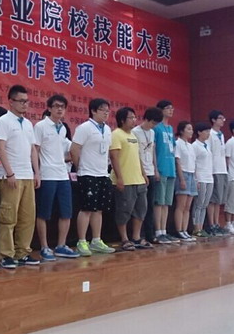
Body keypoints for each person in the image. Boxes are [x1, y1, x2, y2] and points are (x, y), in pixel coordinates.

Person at [0, 85, 41, 269]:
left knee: (27, 217)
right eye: (21, 101)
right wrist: (9, 172)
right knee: (8, 217)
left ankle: (23, 252)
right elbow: (0, 148)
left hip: (27, 176)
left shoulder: (28, 124)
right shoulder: (4, 121)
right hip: (11, 176)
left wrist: (36, 172)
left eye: (26, 101)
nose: (25, 104)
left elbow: (33, 150)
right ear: (11, 102)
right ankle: (6, 255)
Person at [33, 95, 80, 260]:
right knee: (44, 213)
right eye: (56, 106)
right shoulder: (40, 126)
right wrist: (37, 172)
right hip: (47, 175)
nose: (60, 109)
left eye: (63, 107)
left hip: (62, 175)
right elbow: (35, 151)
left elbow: (67, 151)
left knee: (66, 212)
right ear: (49, 108)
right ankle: (44, 247)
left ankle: (61, 245)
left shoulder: (63, 128)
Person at [70, 98, 116, 256]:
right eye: (102, 110)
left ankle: (96, 240)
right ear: (93, 111)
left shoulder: (107, 129)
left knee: (99, 209)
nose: (106, 113)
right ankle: (82, 241)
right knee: (86, 209)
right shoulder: (85, 128)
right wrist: (80, 168)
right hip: (87, 173)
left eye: (107, 110)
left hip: (102, 173)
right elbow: (74, 149)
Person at [109, 107, 152, 250]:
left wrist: (143, 174)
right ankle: (124, 239)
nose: (134, 120)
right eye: (131, 117)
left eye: (135, 117)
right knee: (124, 211)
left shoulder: (133, 135)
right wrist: (119, 178)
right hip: (125, 181)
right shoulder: (116, 134)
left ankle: (136, 237)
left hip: (138, 180)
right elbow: (114, 157)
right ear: (122, 120)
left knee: (141, 210)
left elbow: (137, 157)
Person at [131, 107, 163, 244]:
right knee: (140, 206)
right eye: (152, 123)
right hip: (139, 173)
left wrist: (155, 169)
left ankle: (150, 234)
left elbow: (152, 151)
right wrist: (142, 172)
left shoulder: (152, 132)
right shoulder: (135, 132)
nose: (153, 126)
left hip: (150, 171)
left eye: (156, 124)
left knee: (150, 205)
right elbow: (135, 154)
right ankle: (138, 235)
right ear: (146, 119)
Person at [152, 100, 179, 244]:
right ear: (160, 110)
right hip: (161, 168)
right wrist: (155, 168)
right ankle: (158, 232)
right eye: (168, 108)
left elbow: (172, 149)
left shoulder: (170, 128)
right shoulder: (156, 128)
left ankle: (164, 231)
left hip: (170, 169)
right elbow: (153, 150)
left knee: (167, 202)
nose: (171, 110)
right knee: (159, 202)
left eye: (172, 108)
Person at [173, 121, 197, 242]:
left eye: (191, 129)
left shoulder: (190, 146)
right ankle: (179, 230)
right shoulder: (178, 143)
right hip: (183, 174)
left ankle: (185, 230)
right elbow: (178, 162)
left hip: (192, 174)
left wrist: (195, 178)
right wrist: (182, 178)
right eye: (188, 129)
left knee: (188, 206)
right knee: (181, 205)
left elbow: (194, 163)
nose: (191, 131)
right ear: (181, 131)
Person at [206, 110, 228, 236]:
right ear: (213, 120)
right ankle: (212, 224)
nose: (222, 120)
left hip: (222, 169)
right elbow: (208, 152)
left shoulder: (221, 135)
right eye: (220, 118)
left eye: (223, 118)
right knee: (212, 199)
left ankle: (217, 223)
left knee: (219, 199)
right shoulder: (210, 134)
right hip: (214, 170)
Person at [191, 122, 213, 238]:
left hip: (209, 177)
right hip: (200, 177)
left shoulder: (207, 145)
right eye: (206, 131)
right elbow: (193, 162)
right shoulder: (195, 146)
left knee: (205, 204)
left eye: (209, 131)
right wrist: (196, 179)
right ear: (199, 132)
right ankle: (196, 228)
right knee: (198, 204)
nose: (208, 133)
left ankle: (201, 227)